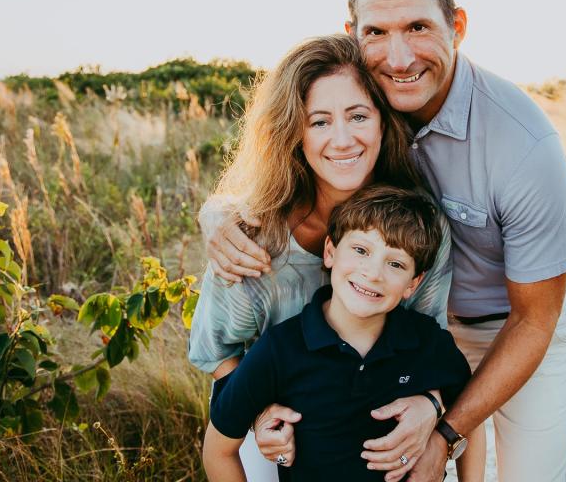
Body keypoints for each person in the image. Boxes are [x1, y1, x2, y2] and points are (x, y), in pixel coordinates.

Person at [207, 0, 566, 482]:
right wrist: (220, 214)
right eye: (377, 33)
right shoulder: (362, 100)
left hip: (513, 321)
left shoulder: (524, 146)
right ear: (353, 35)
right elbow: (286, 160)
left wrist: (444, 428)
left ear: (456, 26)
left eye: (418, 27)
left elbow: (536, 318)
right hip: (392, 316)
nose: (400, 56)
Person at [188, 34, 470, 480]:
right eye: (319, 122)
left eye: (358, 115)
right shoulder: (250, 242)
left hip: (373, 418)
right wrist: (262, 409)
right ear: (294, 133)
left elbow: (428, 341)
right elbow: (215, 350)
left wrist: (431, 405)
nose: (342, 139)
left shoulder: (421, 225)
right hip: (276, 420)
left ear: (383, 121)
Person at [202, 185, 472, 482]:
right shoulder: (281, 349)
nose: (373, 273)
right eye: (360, 250)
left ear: (413, 284)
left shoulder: (426, 342)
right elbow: (218, 450)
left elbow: (469, 414)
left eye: (395, 263)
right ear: (330, 251)